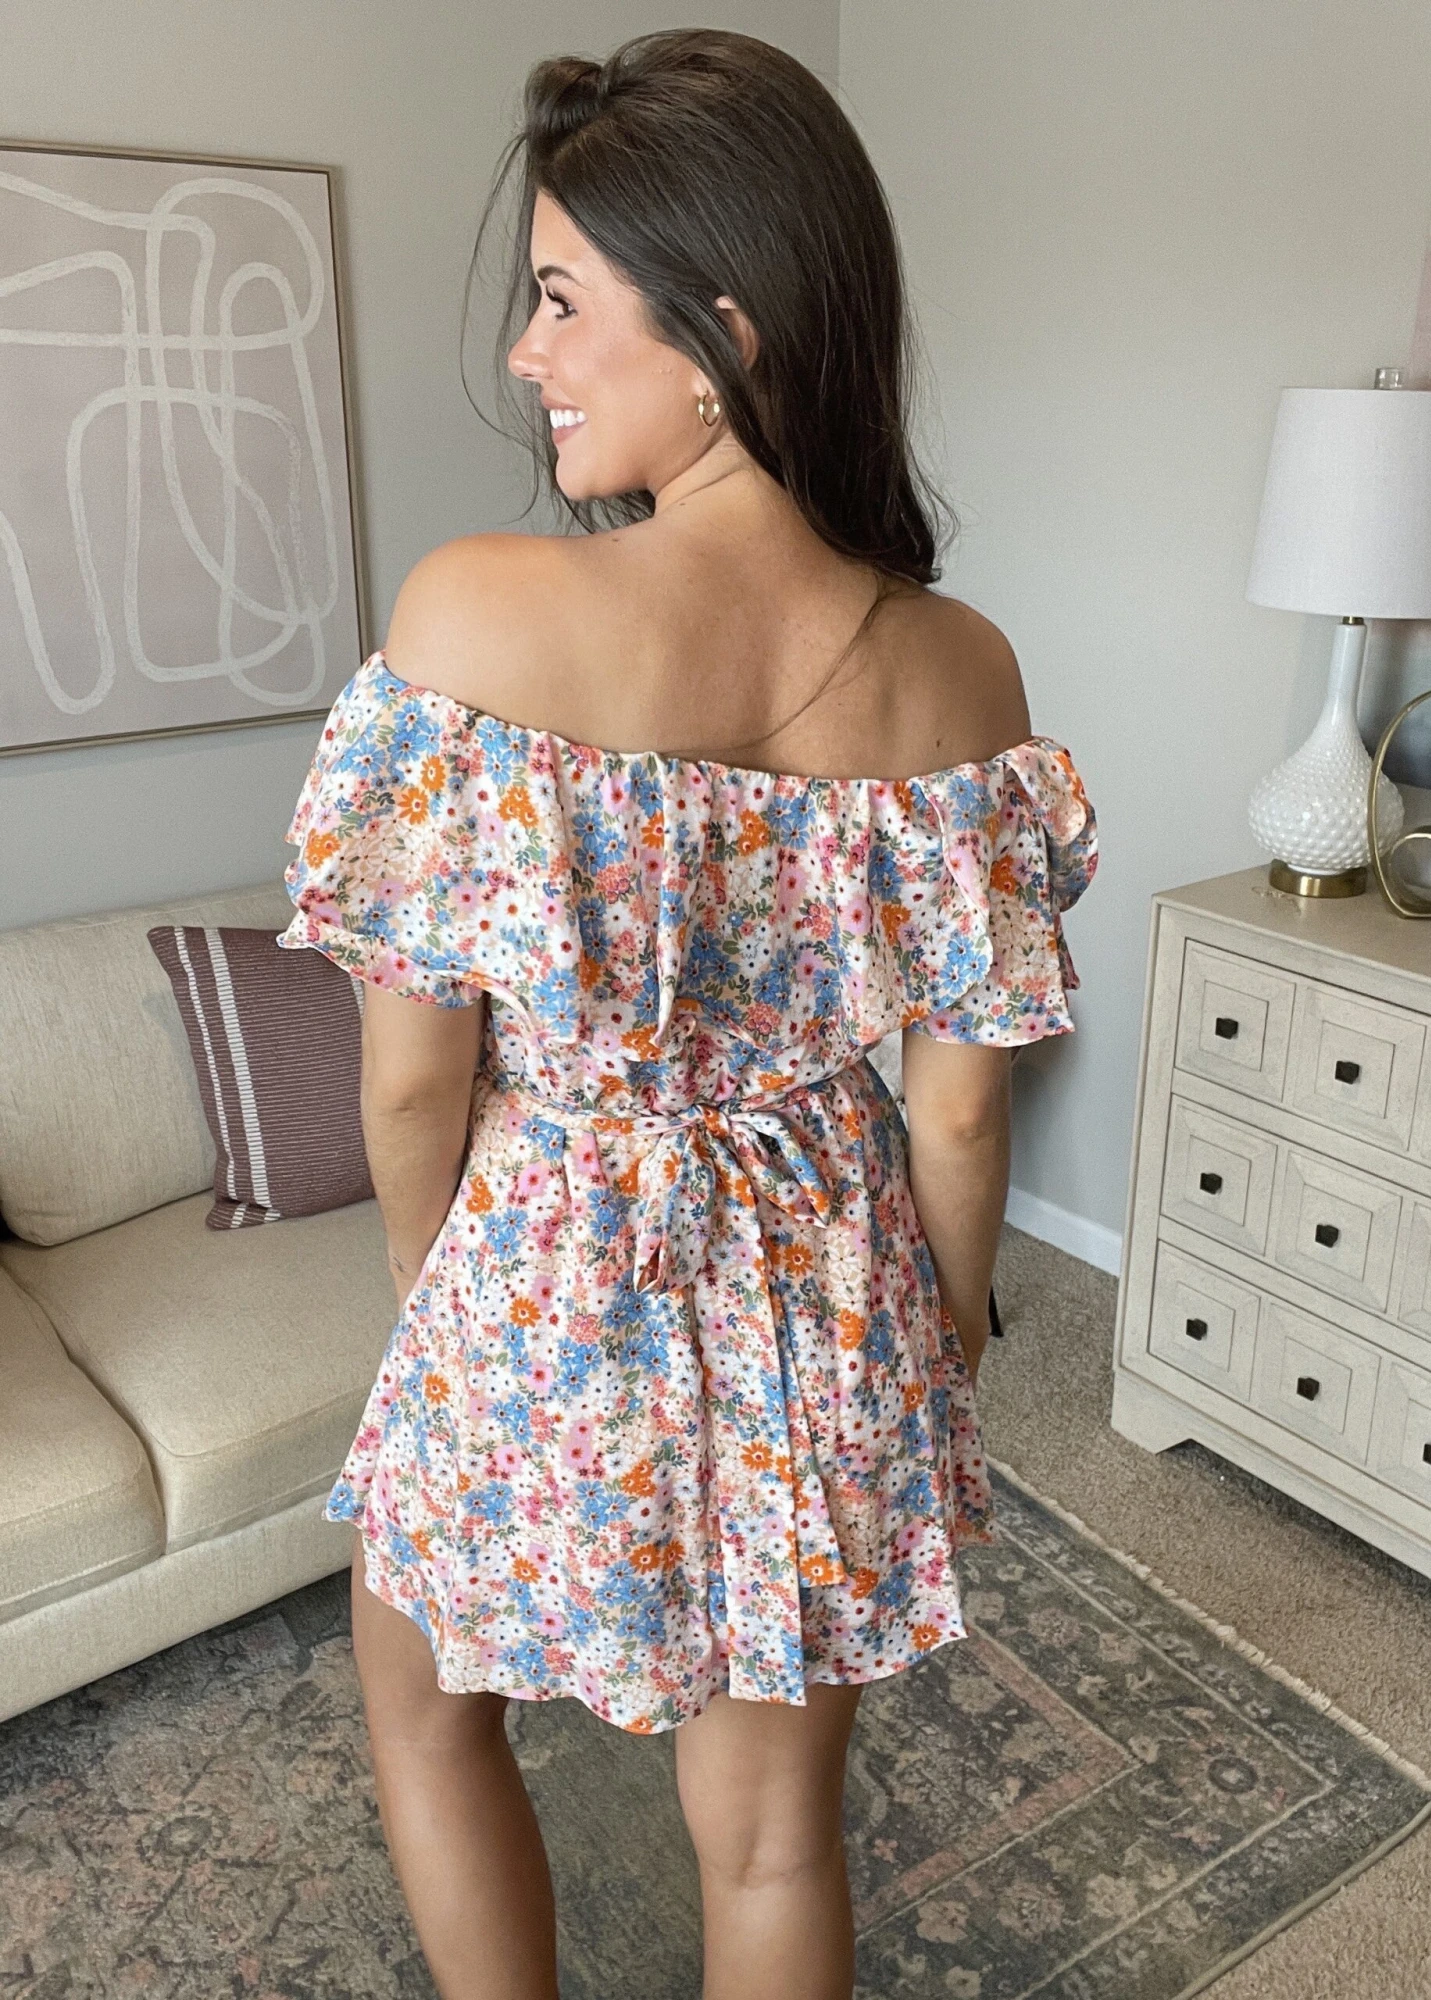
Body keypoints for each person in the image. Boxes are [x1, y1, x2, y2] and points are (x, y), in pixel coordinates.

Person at [278, 27, 1098, 2000]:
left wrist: (438, 1307)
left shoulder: (480, 617)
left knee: (425, 1715)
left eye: (564, 299)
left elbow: (415, 1088)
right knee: (775, 1843)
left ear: (723, 327)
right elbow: (960, 1116)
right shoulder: (966, 670)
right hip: (831, 1285)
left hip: (545, 1270)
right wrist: (935, 1343)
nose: (526, 354)